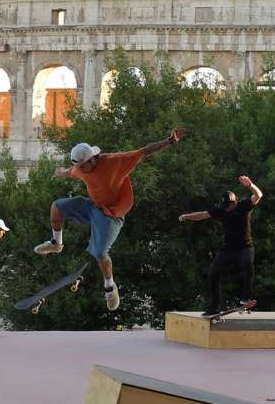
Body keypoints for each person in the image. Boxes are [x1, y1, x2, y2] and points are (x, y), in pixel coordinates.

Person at [34, 127, 187, 311]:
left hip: (110, 215)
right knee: (57, 207)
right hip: (92, 207)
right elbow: (71, 171)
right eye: (79, 167)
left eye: (83, 166)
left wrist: (169, 141)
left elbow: (144, 151)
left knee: (100, 253)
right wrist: (60, 173)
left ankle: (109, 287)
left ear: (93, 159)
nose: (81, 170)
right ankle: (56, 243)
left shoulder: (116, 161)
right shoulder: (80, 168)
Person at [178, 175, 263, 316]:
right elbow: (203, 215)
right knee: (213, 274)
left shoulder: (244, 206)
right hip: (228, 249)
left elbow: (258, 195)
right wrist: (187, 216)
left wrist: (250, 185)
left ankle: (245, 298)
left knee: (247, 266)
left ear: (234, 202)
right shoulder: (221, 210)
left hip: (245, 247)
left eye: (228, 206)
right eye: (225, 207)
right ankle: (214, 307)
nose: (227, 209)